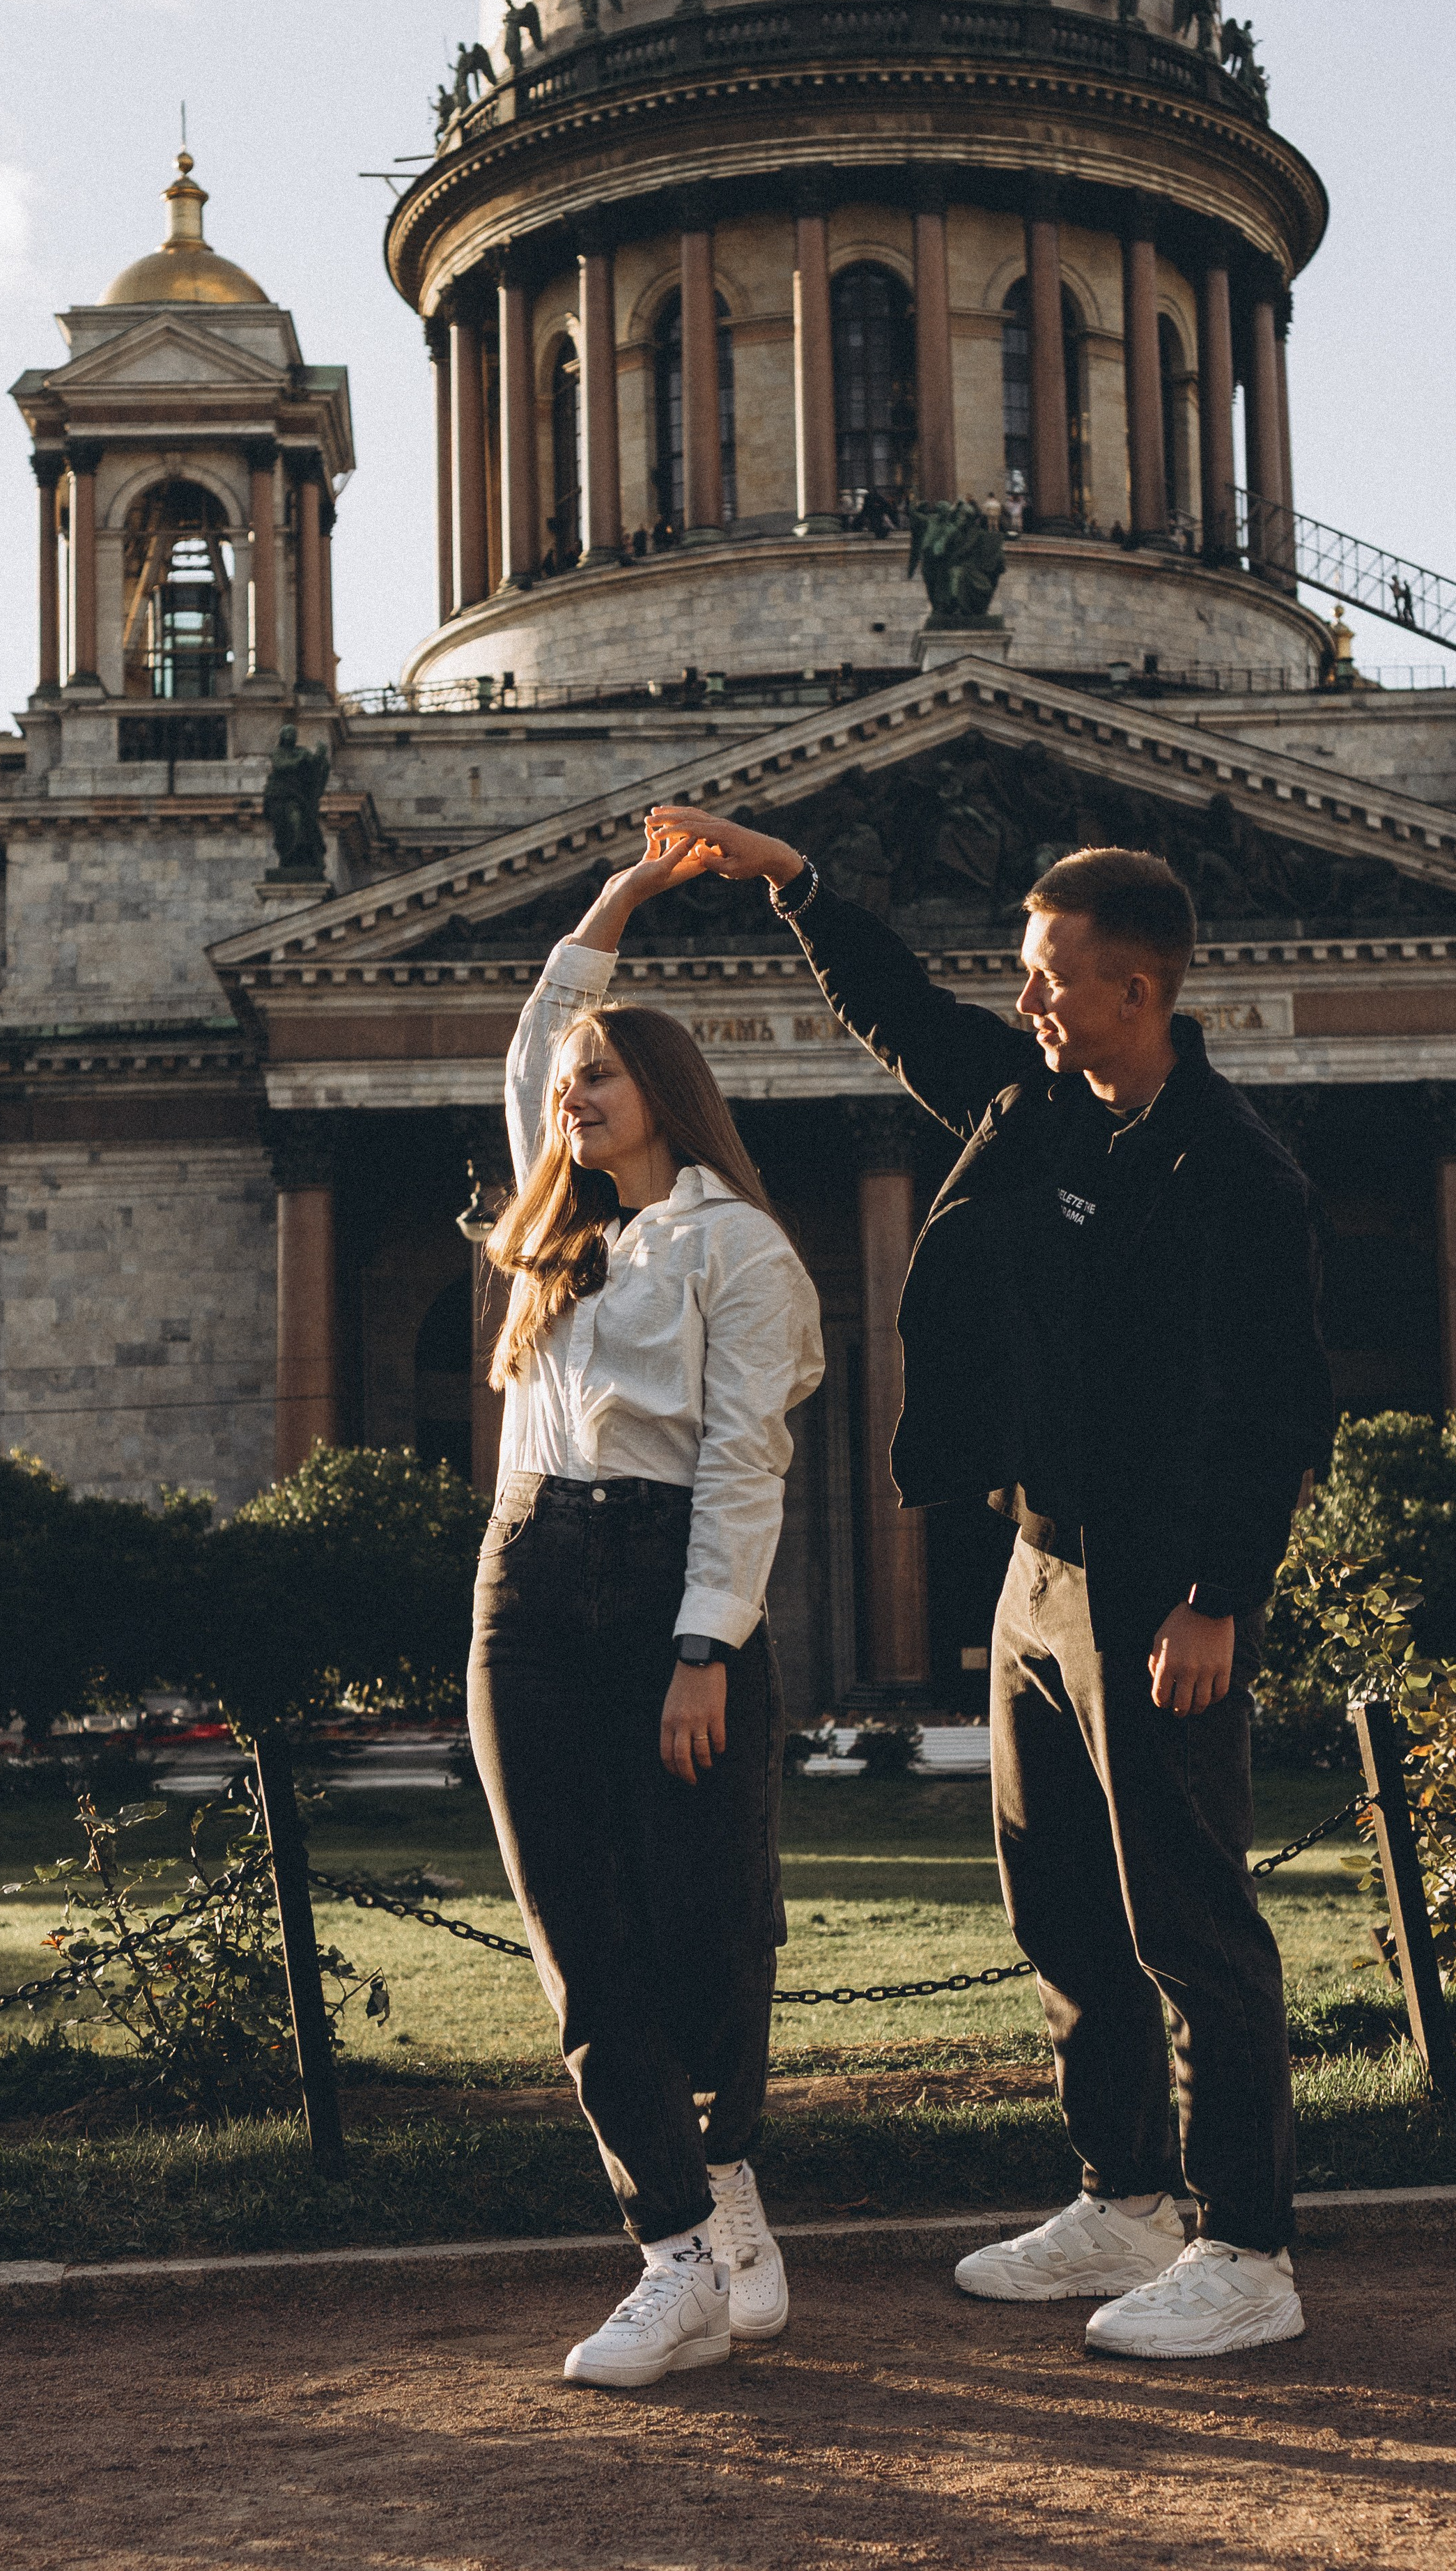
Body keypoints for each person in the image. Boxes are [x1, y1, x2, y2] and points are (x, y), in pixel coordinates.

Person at [649, 806, 1334, 2361]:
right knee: (1063, 1912)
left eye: (1047, 977)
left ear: (1135, 992)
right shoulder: (1036, 1104)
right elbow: (901, 1015)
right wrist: (799, 887)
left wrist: (1218, 1597)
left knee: (1190, 1923)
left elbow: (1281, 1411)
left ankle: (1248, 2247)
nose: (1024, 999)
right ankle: (1125, 2201)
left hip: (1159, 1587)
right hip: (1039, 1565)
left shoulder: (1236, 1172)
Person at [470, 822, 825, 2388]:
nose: (570, 1091)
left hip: (668, 1580)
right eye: (567, 1084)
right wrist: (624, 894)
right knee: (574, 1928)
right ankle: (672, 2245)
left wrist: (706, 1648)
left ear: (664, 1095)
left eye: (601, 1077)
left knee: (711, 1921)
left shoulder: (738, 1249)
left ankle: (730, 2164)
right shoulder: (549, 1235)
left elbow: (745, 1462)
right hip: (524, 1578)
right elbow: (542, 1025)